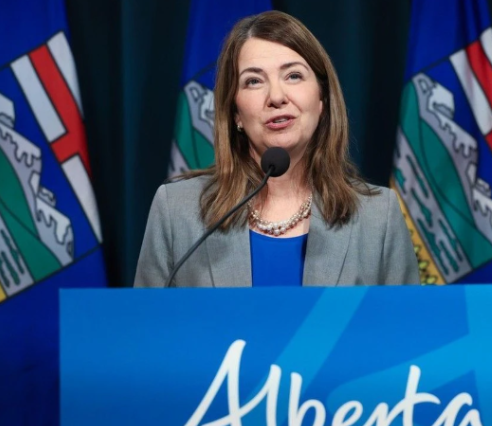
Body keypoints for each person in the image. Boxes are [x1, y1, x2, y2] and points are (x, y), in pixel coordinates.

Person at [134, 11, 419, 287]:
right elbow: (146, 320)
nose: (276, 97)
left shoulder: (378, 217)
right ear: (235, 112)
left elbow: (405, 321)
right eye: (254, 81)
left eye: (293, 75)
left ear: (322, 99)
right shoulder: (176, 210)